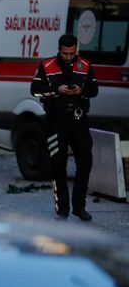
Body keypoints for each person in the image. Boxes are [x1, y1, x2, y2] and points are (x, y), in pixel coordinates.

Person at [31, 34, 98, 221]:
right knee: (58, 166)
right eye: (65, 53)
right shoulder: (47, 65)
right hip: (55, 122)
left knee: (85, 163)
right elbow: (34, 89)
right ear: (59, 50)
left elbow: (94, 90)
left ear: (76, 49)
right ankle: (62, 210)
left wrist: (81, 90)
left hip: (79, 121)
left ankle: (79, 207)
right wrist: (57, 90)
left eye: (71, 53)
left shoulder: (84, 65)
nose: (68, 56)